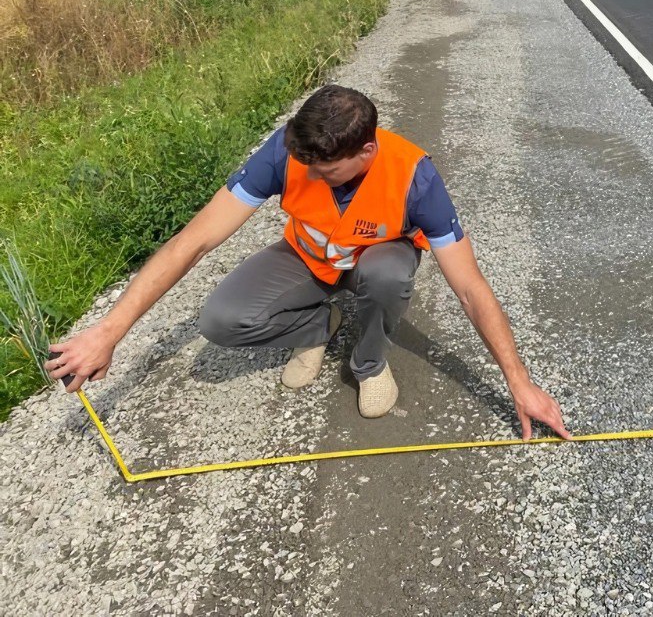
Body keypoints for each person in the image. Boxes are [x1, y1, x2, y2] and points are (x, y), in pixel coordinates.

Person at [46, 85, 571, 437]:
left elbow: (470, 289)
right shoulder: (288, 151)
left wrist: (518, 382)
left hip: (374, 262)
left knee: (387, 273)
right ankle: (317, 327)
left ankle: (368, 361)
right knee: (220, 320)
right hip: (308, 257)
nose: (312, 177)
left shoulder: (416, 177)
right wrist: (109, 331)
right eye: (306, 166)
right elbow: (194, 240)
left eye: (329, 171)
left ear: (367, 150)